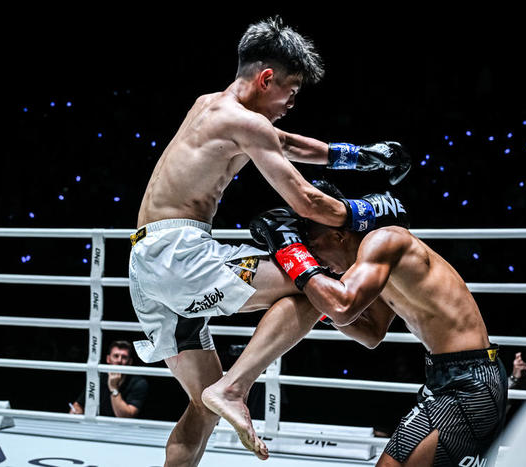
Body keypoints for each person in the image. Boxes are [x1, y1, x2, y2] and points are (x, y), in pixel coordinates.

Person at [128, 15, 411, 466]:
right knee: (313, 287)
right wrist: (369, 210)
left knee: (202, 408)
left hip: (147, 261)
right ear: (266, 79)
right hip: (180, 256)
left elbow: (288, 143)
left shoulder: (209, 105)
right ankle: (234, 387)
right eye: (291, 91)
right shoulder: (247, 123)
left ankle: (222, 392)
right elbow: (307, 203)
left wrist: (363, 157)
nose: (291, 103)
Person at [239, 180, 507, 466]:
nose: (316, 259)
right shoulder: (370, 268)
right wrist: (318, 299)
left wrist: (291, 252)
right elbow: (371, 333)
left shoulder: (384, 240)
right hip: (448, 376)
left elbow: (342, 307)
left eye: (314, 247)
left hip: (470, 380)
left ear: (338, 235)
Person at [69, 340, 148, 418]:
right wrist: (76, 410)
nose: (119, 360)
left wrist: (113, 388)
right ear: (108, 359)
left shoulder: (139, 383)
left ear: (130, 362)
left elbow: (126, 416)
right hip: (99, 424)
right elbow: (79, 404)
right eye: (116, 356)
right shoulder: (98, 378)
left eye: (124, 357)